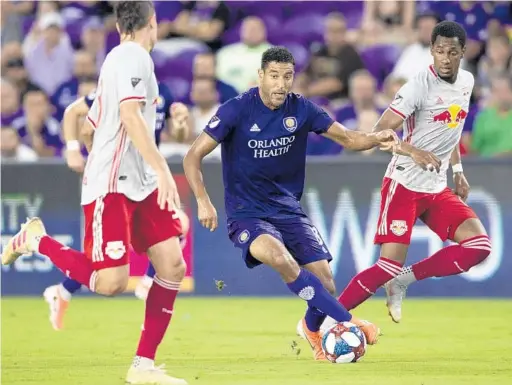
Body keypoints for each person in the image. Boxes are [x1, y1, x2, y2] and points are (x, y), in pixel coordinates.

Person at [2, 2, 188, 384]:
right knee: (111, 284)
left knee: (172, 264)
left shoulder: (130, 65)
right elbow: (131, 118)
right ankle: (37, 240)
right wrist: (162, 170)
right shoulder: (132, 56)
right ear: (152, 24)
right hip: (113, 185)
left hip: (139, 184)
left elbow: (95, 122)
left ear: (119, 25)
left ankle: (143, 367)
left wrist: (96, 144)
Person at [183, 46, 399, 361]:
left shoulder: (302, 110)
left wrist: (376, 138)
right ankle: (347, 321)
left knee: (326, 283)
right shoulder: (237, 110)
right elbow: (193, 155)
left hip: (287, 210)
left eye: (288, 77)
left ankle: (310, 329)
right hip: (247, 214)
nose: (282, 84)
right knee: (279, 257)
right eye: (274, 76)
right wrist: (203, 200)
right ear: (260, 76)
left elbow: (349, 139)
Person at [322, 21, 491, 328]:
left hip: (436, 187)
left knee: (479, 247)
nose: (445, 58)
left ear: (462, 53)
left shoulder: (466, 81)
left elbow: (451, 129)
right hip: (404, 183)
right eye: (439, 51)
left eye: (452, 52)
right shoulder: (417, 86)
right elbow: (378, 133)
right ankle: (324, 323)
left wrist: (458, 170)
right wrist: (413, 151)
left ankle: (403, 281)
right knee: (386, 266)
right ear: (432, 51)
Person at [43, 86, 190, 331]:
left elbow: (178, 135)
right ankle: (53, 270)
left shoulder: (162, 91)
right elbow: (75, 115)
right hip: (114, 182)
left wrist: (181, 122)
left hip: (146, 180)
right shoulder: (117, 87)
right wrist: (73, 149)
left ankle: (145, 282)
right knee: (108, 267)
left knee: (177, 228)